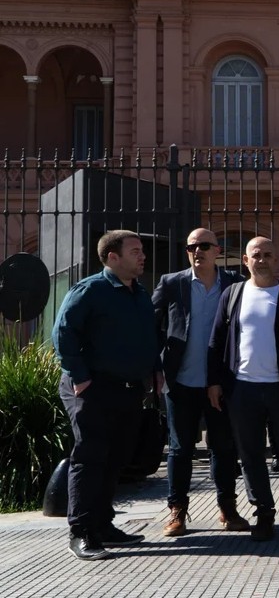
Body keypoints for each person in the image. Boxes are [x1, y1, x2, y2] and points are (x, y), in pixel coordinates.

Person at [207, 237, 279, 541]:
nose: (261, 260)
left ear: (277, 260)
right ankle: (264, 513)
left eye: (268, 255)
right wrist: (215, 382)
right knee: (250, 455)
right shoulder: (232, 294)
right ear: (245, 261)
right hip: (242, 389)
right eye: (255, 255)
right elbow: (216, 342)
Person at [53, 230, 158, 561]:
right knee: (91, 455)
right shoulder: (91, 290)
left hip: (127, 390)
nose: (142, 256)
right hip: (91, 387)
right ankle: (81, 532)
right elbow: (64, 333)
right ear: (113, 258)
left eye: (141, 251)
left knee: (116, 458)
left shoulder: (139, 293)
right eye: (135, 251)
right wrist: (81, 378)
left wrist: (154, 370)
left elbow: (147, 337)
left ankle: (103, 524)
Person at [153, 228, 249, 537]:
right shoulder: (172, 283)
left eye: (205, 246)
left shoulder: (234, 283)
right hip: (180, 380)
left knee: (223, 446)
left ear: (217, 250)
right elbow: (152, 326)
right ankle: (177, 512)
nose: (198, 251)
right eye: (192, 246)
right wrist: (155, 367)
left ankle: (227, 509)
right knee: (180, 449)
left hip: (220, 381)